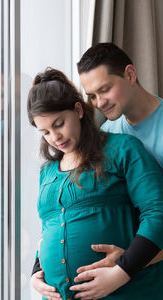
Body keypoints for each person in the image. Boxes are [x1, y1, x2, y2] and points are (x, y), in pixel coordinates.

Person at [28, 67, 163, 300]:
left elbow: (158, 212)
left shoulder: (123, 149)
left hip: (127, 291)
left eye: (59, 124)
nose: (55, 137)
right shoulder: (47, 172)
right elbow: (51, 228)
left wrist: (123, 271)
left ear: (78, 110)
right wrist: (37, 272)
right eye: (46, 132)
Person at [70, 42, 163, 297]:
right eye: (91, 96)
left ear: (130, 74)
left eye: (105, 89)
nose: (99, 103)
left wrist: (130, 262)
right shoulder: (107, 136)